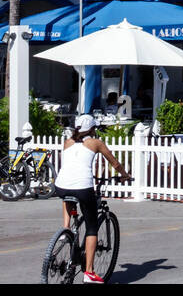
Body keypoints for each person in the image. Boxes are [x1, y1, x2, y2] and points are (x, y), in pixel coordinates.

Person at [53, 115, 131, 283]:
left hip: (61, 186)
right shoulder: (96, 143)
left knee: (68, 195)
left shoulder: (67, 142)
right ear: (92, 129)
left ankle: (65, 230)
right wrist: (125, 175)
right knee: (91, 227)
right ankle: (89, 272)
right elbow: (115, 164)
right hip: (82, 187)